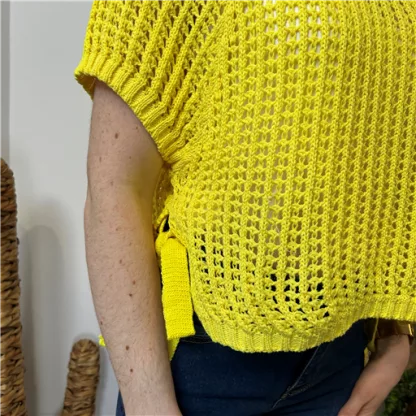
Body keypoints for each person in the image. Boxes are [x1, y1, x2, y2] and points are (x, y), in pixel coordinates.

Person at [75, 1, 416, 415]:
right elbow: (115, 187)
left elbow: (388, 158)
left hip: (342, 352)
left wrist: (397, 333)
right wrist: (147, 401)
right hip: (206, 359)